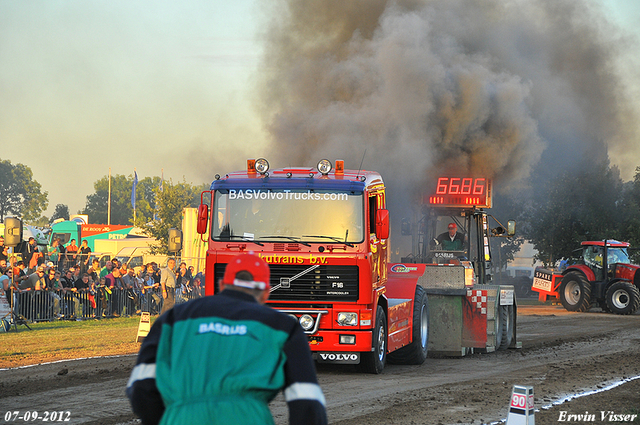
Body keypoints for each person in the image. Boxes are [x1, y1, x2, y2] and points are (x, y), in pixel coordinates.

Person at [126, 253, 327, 425]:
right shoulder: (283, 327)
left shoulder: (174, 318)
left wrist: (170, 417)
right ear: (266, 293)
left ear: (223, 285)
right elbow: (306, 400)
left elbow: (141, 386)